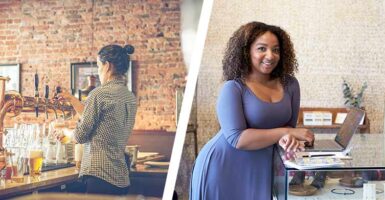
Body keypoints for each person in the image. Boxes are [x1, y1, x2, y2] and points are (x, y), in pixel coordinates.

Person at [190, 21, 315, 200]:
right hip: (222, 167)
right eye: (262, 48)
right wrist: (287, 132)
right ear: (246, 51)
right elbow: (237, 139)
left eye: (276, 50)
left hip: (261, 169)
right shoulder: (233, 88)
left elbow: (289, 128)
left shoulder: (291, 84)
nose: (270, 56)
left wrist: (288, 137)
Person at [57, 44, 137, 195]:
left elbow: (80, 136)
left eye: (99, 66)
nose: (99, 71)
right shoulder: (129, 97)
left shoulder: (99, 94)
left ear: (107, 66)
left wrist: (66, 132)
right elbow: (100, 121)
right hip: (121, 179)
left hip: (100, 178)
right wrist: (72, 99)